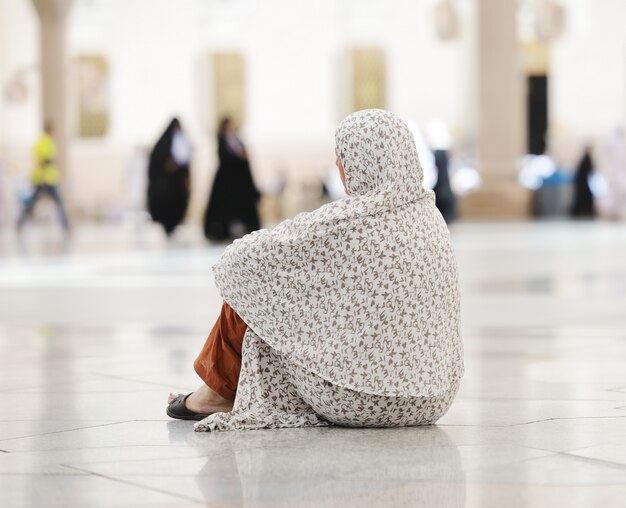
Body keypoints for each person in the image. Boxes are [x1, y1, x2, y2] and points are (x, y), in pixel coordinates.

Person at [167, 109, 463, 431]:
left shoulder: (345, 221)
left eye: (342, 156)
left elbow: (237, 262)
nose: (339, 166)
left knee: (261, 281)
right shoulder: (430, 216)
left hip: (360, 399)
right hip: (434, 398)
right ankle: (216, 390)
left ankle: (214, 394)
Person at [203, 118, 260, 241]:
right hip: (226, 181)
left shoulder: (238, 139)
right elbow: (224, 156)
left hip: (239, 181)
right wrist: (236, 156)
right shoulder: (222, 140)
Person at [17, 121, 69, 230]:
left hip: (47, 178)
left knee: (54, 202)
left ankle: (66, 224)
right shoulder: (45, 142)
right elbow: (43, 160)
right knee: (34, 202)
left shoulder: (44, 142)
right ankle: (20, 221)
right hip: (43, 179)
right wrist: (48, 162)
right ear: (48, 130)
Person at [147, 118, 191, 235]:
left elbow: (185, 163)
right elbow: (157, 163)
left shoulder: (181, 141)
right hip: (165, 184)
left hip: (177, 183)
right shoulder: (162, 145)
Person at [571, 147, 595, 218]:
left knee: (582, 198)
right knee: (584, 198)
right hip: (582, 183)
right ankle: (585, 212)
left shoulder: (585, 159)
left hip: (582, 183)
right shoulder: (586, 159)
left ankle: (583, 212)